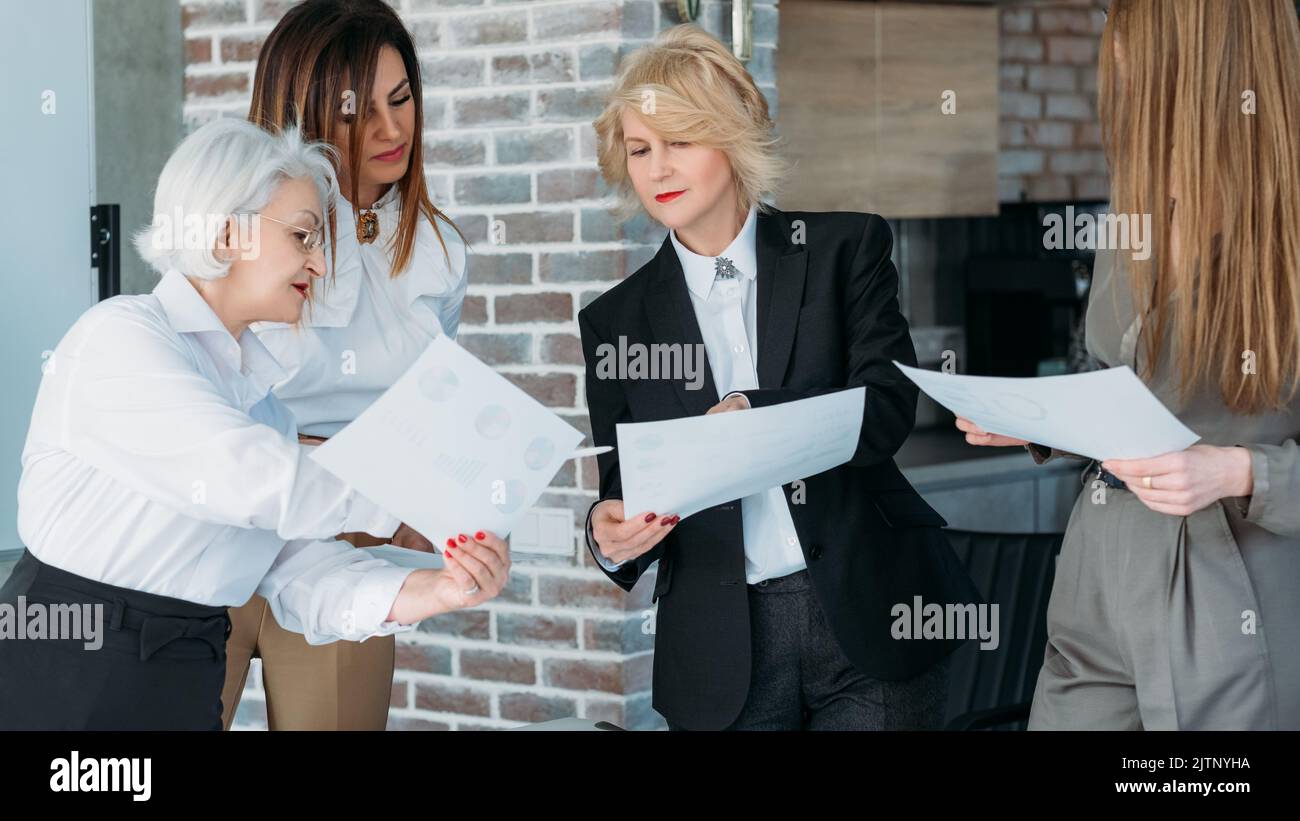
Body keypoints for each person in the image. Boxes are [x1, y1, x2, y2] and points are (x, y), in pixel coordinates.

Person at [0, 119, 508, 730]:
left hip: (185, 679)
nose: (320, 264)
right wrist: (408, 500)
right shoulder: (120, 336)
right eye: (302, 236)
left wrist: (439, 591)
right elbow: (244, 476)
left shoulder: (264, 408)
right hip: (68, 670)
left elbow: (302, 572)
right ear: (224, 232)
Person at [580, 25, 980, 731]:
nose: (657, 169)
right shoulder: (616, 319)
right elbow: (625, 483)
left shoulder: (844, 249)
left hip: (868, 616)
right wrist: (605, 532)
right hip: (720, 648)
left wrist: (752, 412)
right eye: (640, 150)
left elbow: (887, 408)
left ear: (733, 139)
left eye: (680, 141)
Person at [958, 0, 1300, 729]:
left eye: (1129, 36)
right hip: (1098, 576)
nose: (1110, 54)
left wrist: (1238, 471)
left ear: (1203, 62)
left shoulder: (1289, 231)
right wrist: (1033, 419)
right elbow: (1115, 383)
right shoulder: (1136, 203)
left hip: (1228, 598)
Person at [220, 0, 474, 730]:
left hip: (350, 543)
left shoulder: (440, 251)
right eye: (359, 111)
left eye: (402, 101)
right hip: (224, 526)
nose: (392, 130)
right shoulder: (237, 229)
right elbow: (194, 399)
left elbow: (434, 401)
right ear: (301, 114)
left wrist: (436, 498)